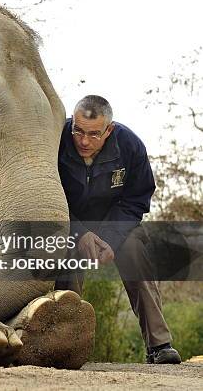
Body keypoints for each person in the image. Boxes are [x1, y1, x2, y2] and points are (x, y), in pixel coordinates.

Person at [56, 94, 181, 364]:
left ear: (109, 130)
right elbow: (45, 194)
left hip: (115, 223)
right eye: (78, 131)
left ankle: (159, 346)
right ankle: (62, 346)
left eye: (93, 134)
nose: (84, 141)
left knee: (136, 250)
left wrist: (109, 238)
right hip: (67, 220)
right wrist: (79, 233)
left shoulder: (130, 145)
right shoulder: (55, 139)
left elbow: (137, 199)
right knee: (67, 256)